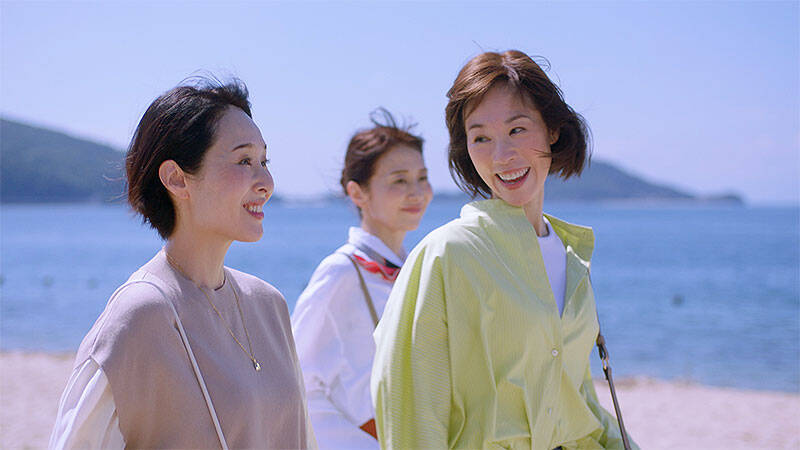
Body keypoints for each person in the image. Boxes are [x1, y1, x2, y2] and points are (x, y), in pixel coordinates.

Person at [371, 50, 638, 450]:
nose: (501, 156)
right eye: (481, 138)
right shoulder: (446, 255)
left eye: (517, 130)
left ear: (552, 130)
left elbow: (578, 401)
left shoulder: (571, 256)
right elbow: (412, 410)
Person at [49, 79, 316, 449]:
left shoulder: (269, 304)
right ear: (176, 179)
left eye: (264, 162)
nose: (266, 182)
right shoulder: (140, 314)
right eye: (244, 161)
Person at [291, 109, 433, 449]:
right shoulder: (342, 272)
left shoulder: (418, 271)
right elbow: (296, 379)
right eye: (399, 180)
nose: (416, 192)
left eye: (422, 177)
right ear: (358, 193)